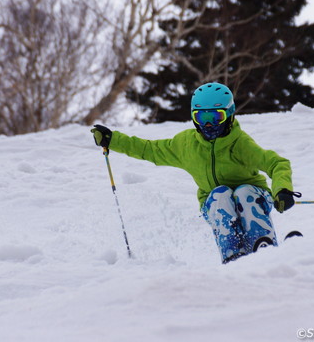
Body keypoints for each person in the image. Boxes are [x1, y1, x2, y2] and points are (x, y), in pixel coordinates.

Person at [90, 82, 301, 263]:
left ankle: (262, 246)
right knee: (220, 195)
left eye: (215, 117)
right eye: (201, 117)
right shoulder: (187, 145)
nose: (208, 124)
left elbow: (276, 163)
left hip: (255, 197)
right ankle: (233, 257)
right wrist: (113, 140)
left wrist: (282, 190)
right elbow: (150, 149)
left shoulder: (240, 144)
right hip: (216, 203)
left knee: (244, 193)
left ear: (229, 114)